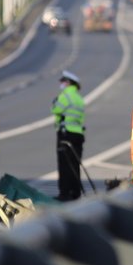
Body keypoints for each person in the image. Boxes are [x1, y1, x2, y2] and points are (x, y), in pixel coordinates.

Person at [52, 70, 85, 201]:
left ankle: (64, 193)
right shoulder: (78, 97)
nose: (61, 84)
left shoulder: (65, 96)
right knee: (75, 164)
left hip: (66, 134)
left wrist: (55, 102)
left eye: (63, 81)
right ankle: (75, 192)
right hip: (78, 134)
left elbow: (55, 109)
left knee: (64, 164)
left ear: (68, 82)